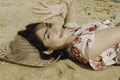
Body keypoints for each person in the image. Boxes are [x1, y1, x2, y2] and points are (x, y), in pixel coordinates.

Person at [32, 0, 120, 70]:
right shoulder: (81, 48)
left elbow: (71, 2)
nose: (55, 30)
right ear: (48, 50)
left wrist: (63, 5)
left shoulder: (70, 32)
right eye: (48, 35)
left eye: (50, 25)